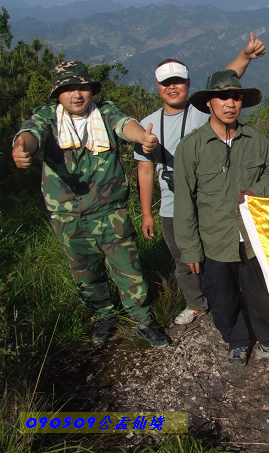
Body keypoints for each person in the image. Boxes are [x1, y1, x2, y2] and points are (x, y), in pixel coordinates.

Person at [12, 60, 168, 347]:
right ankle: (106, 314)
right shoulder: (47, 118)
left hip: (110, 210)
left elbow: (126, 126)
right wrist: (21, 148)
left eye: (82, 88)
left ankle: (143, 319)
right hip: (68, 216)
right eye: (68, 89)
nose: (77, 95)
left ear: (90, 90)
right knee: (85, 272)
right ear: (58, 93)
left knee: (128, 267)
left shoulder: (105, 113)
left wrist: (144, 138)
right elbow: (31, 134)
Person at [135, 33, 266, 326]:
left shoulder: (202, 112)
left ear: (189, 85)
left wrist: (245, 56)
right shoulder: (148, 125)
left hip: (212, 202)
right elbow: (145, 170)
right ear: (157, 87)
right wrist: (146, 213)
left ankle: (224, 301)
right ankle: (197, 302)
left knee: (220, 256)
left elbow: (226, 83)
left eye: (178, 81)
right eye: (166, 83)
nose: (172, 87)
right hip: (172, 204)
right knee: (183, 258)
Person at [173, 69, 269, 367]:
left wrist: (258, 191)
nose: (230, 103)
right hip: (214, 239)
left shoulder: (254, 139)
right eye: (222, 97)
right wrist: (189, 249)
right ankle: (236, 340)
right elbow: (184, 201)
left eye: (235, 97)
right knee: (222, 298)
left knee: (261, 294)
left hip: (251, 238)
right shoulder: (192, 146)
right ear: (209, 103)